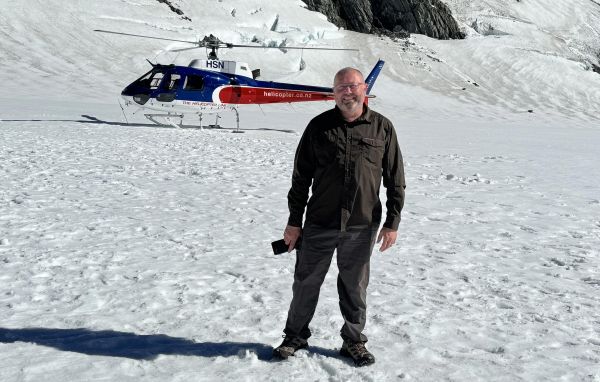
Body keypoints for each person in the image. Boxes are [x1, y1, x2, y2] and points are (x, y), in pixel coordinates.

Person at [272, 66, 406, 366]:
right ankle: (295, 336)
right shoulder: (318, 127)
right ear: (333, 94)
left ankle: (353, 341)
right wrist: (294, 222)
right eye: (342, 88)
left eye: (353, 86)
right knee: (305, 282)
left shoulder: (382, 128)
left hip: (362, 224)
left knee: (355, 287)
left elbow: (395, 179)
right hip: (319, 222)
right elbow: (300, 178)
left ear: (364, 89)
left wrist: (392, 222)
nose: (348, 92)